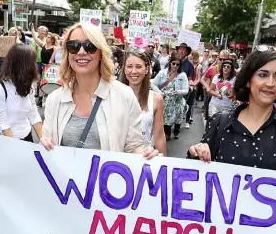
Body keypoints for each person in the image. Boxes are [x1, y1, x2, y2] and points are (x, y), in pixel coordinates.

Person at [39, 22, 158, 160]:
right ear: (67, 53)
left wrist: (147, 155)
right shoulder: (54, 100)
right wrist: (44, 145)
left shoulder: (124, 96)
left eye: (90, 46)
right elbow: (48, 145)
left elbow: (133, 146)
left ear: (101, 52)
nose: (81, 52)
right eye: (74, 46)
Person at [187, 47, 276, 175]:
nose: (270, 83)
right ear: (248, 80)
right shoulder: (220, 122)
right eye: (263, 75)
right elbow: (197, 177)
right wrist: (195, 153)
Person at [0, 44, 43, 141]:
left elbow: (33, 113)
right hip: (5, 138)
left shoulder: (27, 84)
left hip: (26, 135)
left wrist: (43, 139)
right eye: (32, 62)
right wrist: (16, 147)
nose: (35, 66)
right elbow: (4, 123)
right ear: (22, 65)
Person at [119, 50, 167, 155]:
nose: (134, 71)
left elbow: (159, 136)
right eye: (130, 66)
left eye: (139, 67)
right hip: (117, 158)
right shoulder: (114, 96)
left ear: (146, 70)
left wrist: (164, 165)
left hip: (144, 158)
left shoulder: (156, 99)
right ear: (124, 69)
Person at [152, 53, 189, 141]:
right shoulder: (162, 73)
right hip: (164, 100)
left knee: (177, 118)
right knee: (166, 118)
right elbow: (153, 84)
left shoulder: (182, 75)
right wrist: (159, 92)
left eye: (178, 64)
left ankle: (176, 131)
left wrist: (177, 92)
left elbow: (186, 90)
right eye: (173, 63)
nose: (175, 66)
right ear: (170, 63)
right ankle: (167, 134)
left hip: (177, 101)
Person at [186, 50, 202, 129]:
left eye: (191, 54)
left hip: (193, 86)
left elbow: (199, 78)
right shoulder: (188, 64)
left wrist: (194, 84)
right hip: (186, 85)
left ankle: (189, 118)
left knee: (191, 103)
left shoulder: (199, 66)